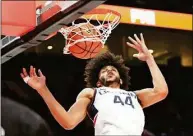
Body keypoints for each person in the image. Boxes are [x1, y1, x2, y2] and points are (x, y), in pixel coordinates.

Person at [20, 33, 168, 135]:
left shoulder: (135, 96)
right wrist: (43, 89)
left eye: (113, 69)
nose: (109, 71)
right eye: (104, 71)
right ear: (98, 82)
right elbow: (68, 122)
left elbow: (161, 91)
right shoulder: (92, 93)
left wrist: (149, 59)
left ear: (121, 80)